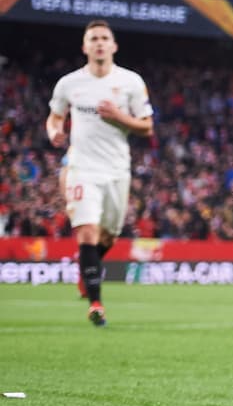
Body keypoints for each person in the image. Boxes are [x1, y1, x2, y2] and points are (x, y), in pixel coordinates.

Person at [46, 20, 154, 327]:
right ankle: (96, 303)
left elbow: (147, 126)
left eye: (104, 38)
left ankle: (86, 270)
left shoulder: (131, 82)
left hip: (117, 170)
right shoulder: (69, 84)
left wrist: (119, 116)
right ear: (85, 47)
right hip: (81, 167)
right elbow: (55, 117)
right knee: (87, 231)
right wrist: (54, 132)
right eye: (93, 38)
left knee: (109, 236)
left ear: (114, 46)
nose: (99, 43)